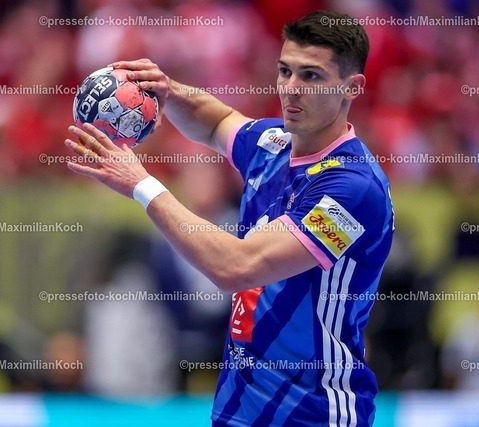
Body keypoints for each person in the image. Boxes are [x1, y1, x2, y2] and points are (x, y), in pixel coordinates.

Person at [64, 10, 394, 427]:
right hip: (239, 411)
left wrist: (141, 185)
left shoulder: (353, 189)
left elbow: (236, 267)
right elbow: (217, 122)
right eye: (285, 71)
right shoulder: (273, 145)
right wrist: (169, 90)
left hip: (313, 413)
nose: (291, 89)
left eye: (311, 76)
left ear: (352, 87)